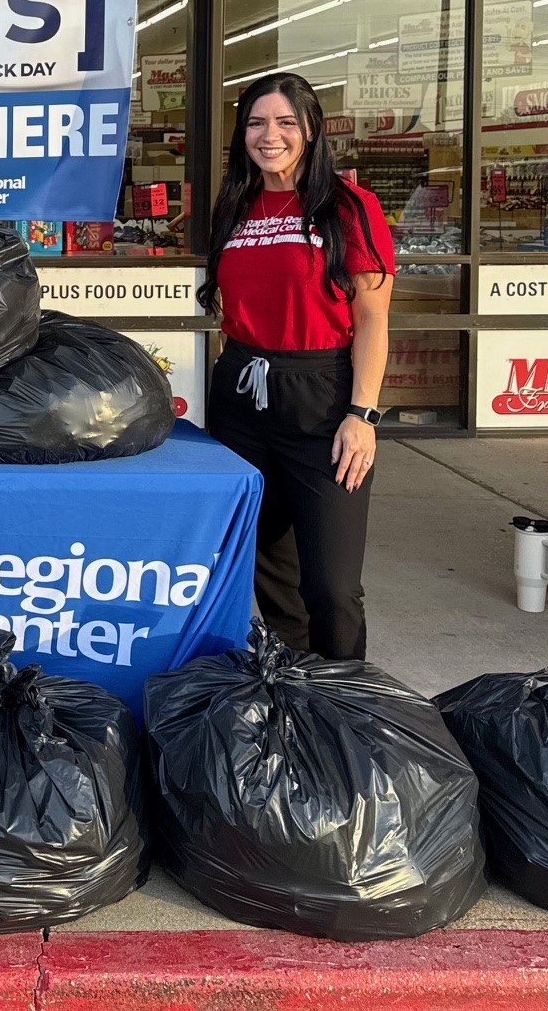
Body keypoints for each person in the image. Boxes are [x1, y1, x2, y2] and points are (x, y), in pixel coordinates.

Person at [198, 72, 394, 660]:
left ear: (310, 129)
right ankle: (298, 685)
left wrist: (362, 414)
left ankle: (346, 706)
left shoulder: (347, 206)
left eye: (285, 122)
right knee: (267, 565)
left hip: (324, 395)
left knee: (331, 583)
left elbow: (373, 320)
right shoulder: (235, 204)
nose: (270, 135)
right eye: (257, 122)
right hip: (242, 391)